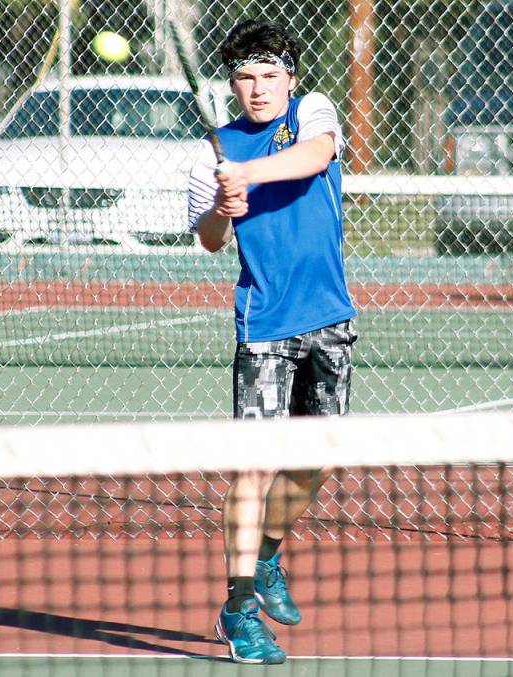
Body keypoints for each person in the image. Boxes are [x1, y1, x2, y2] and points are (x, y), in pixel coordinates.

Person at [186, 19, 357, 665]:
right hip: (263, 327)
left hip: (331, 316)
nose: (256, 89)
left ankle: (264, 555)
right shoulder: (212, 150)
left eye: (268, 75)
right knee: (254, 467)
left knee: (316, 460)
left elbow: (316, 157)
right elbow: (207, 238)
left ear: (290, 76)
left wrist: (249, 175)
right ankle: (238, 605)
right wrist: (222, 207)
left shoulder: (312, 112)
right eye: (244, 77)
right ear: (232, 84)